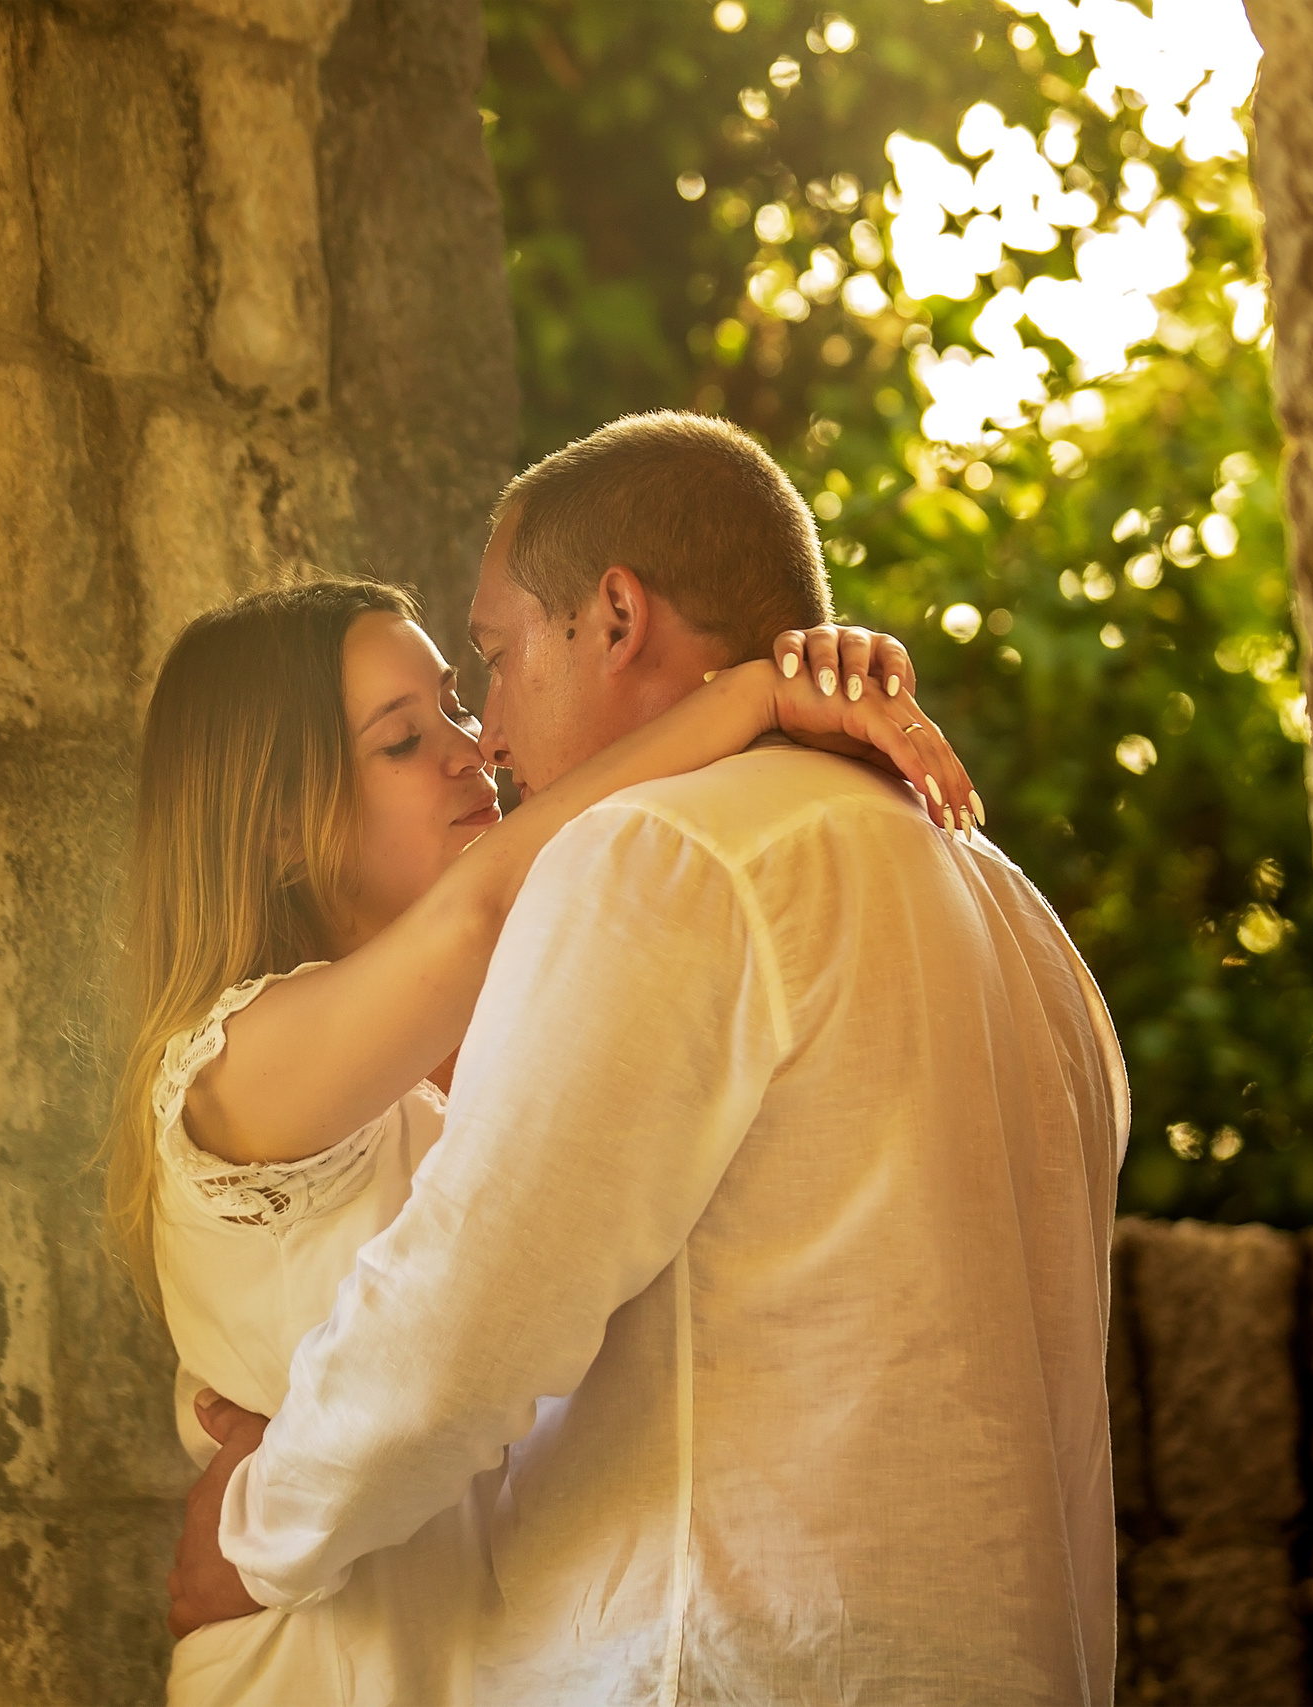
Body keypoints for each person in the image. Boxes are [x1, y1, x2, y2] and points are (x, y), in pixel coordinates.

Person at [167, 411, 1130, 1705]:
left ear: (614, 617)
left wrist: (254, 1525)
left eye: (496, 661)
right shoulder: (1024, 920)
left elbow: (470, 1318)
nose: (490, 735)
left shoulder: (653, 856)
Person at [110, 566, 971, 1705]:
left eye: (458, 709)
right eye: (402, 741)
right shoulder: (226, 1068)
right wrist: (750, 698)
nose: (473, 750)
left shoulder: (508, 1031)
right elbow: (481, 913)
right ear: (277, 827)